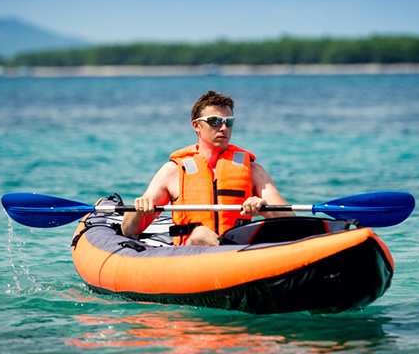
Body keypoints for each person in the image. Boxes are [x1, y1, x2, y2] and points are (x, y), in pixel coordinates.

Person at [122, 90, 293, 246]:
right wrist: (138, 210)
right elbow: (128, 230)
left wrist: (265, 210)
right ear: (196, 126)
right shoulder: (173, 171)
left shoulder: (253, 171)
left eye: (229, 122)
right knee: (200, 234)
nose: (224, 128)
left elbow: (291, 222)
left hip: (237, 252)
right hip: (190, 256)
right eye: (215, 121)